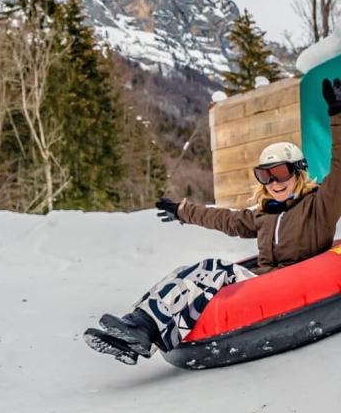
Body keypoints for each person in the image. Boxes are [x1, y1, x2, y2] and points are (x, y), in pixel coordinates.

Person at [84, 76, 341, 365]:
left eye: (279, 173)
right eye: (265, 176)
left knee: (210, 270)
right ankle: (134, 332)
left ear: (298, 172)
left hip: (292, 279)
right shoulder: (264, 215)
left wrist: (337, 114)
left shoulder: (320, 206)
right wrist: (183, 210)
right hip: (263, 280)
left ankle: (140, 330)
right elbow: (224, 219)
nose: (273, 182)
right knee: (185, 273)